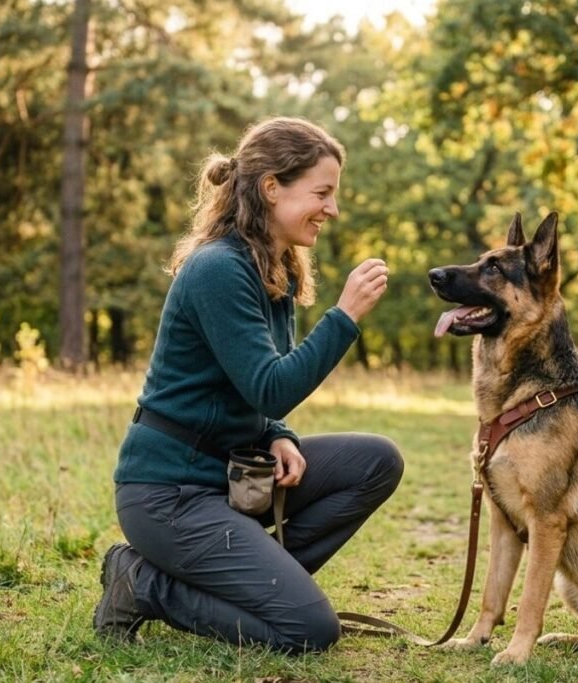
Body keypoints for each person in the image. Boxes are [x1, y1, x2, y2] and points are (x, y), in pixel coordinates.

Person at [92, 117, 404, 654]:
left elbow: (251, 381)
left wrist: (276, 433)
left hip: (234, 476)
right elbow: (269, 387)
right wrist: (344, 317)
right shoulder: (218, 268)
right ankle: (142, 583)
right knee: (310, 631)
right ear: (271, 187)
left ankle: (260, 585)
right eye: (322, 194)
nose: (332, 209)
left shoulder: (276, 268)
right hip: (170, 494)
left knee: (376, 461)